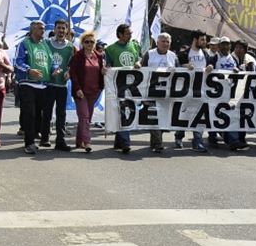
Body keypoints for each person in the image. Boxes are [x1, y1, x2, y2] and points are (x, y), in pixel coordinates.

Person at [14, 21, 51, 155]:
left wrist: (54, 70)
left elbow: (50, 61)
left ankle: (35, 135)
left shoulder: (45, 44)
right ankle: (29, 143)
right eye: (40, 28)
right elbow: (18, 62)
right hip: (27, 83)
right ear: (33, 30)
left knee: (39, 114)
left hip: (42, 84)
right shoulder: (24, 43)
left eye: (44, 29)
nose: (43, 31)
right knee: (30, 113)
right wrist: (29, 70)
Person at [104, 24, 141, 153]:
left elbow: (139, 60)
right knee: (123, 112)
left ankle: (119, 141)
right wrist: (106, 69)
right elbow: (108, 65)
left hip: (133, 86)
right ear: (120, 34)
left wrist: (138, 63)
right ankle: (125, 142)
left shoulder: (134, 46)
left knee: (127, 112)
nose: (130, 35)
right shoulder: (110, 49)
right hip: (118, 86)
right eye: (127, 33)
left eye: (131, 33)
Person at [173, 30, 212, 151]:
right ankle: (179, 136)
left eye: (205, 39)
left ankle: (198, 142)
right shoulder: (185, 52)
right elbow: (176, 67)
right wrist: (185, 66)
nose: (205, 42)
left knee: (200, 117)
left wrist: (210, 67)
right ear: (195, 40)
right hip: (186, 91)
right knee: (184, 114)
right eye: (202, 39)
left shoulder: (205, 54)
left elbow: (209, 67)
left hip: (201, 91)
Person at [140, 32, 178, 153]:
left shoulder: (173, 56)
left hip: (166, 94)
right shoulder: (149, 54)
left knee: (162, 118)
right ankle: (158, 144)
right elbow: (141, 69)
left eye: (168, 42)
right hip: (150, 91)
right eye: (163, 41)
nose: (165, 43)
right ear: (157, 42)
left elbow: (181, 73)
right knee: (154, 117)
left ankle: (154, 143)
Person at [70, 31, 104, 152]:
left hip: (94, 91)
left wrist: (103, 73)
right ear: (82, 43)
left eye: (92, 42)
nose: (89, 44)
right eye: (87, 42)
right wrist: (77, 88)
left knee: (87, 117)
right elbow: (73, 74)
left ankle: (79, 141)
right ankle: (87, 141)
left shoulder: (99, 56)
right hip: (81, 92)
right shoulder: (77, 56)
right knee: (84, 116)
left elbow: (101, 72)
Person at [45, 19, 74, 152]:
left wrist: (69, 71)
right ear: (54, 29)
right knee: (47, 113)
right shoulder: (47, 43)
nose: (61, 31)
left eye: (63, 28)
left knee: (61, 114)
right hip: (49, 84)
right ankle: (45, 137)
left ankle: (60, 141)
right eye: (59, 28)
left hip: (62, 85)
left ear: (67, 30)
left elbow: (73, 64)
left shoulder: (70, 47)